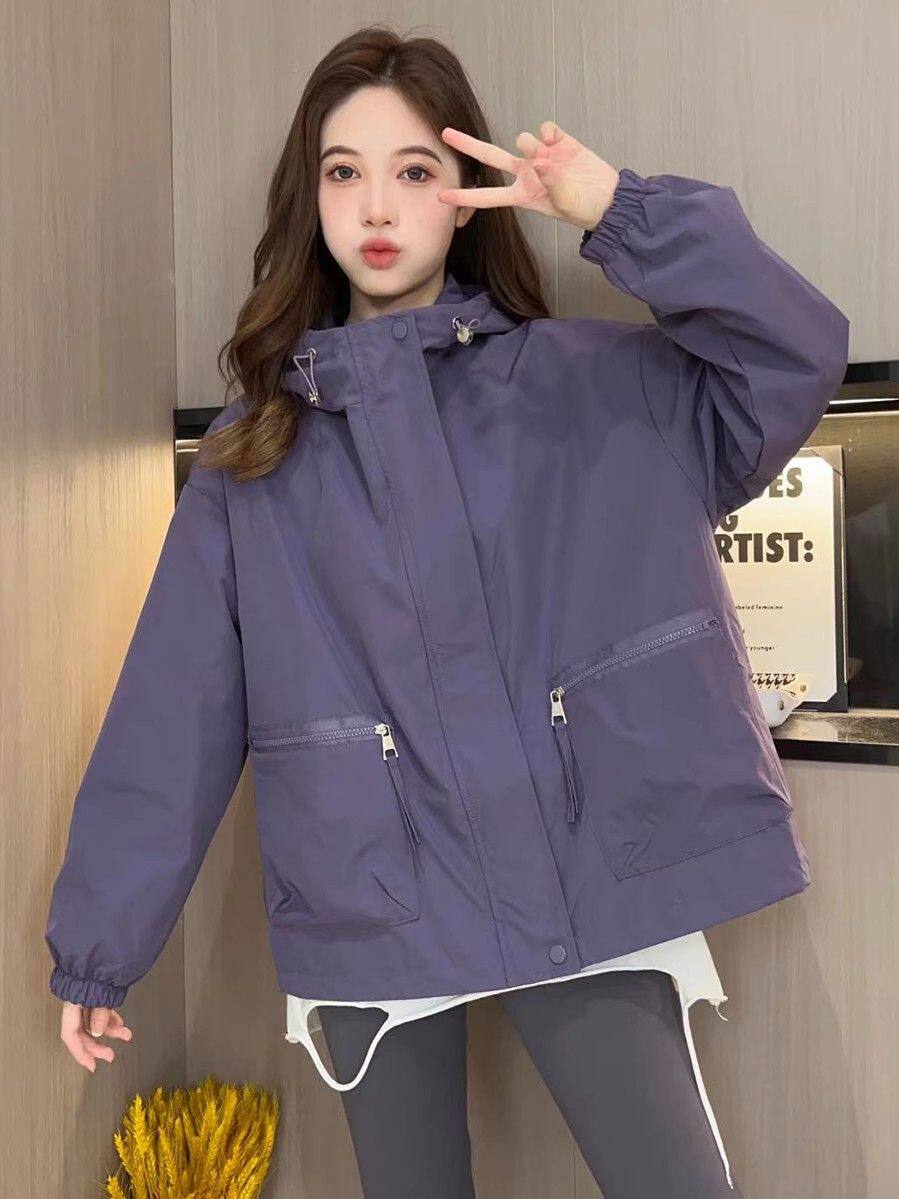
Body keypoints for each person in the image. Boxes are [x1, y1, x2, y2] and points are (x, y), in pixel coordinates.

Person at [46, 24, 849, 1199]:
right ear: (310, 198)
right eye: (343, 170)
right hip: (374, 888)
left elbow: (793, 351)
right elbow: (174, 714)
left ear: (464, 196)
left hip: (594, 866)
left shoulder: (594, 385)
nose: (377, 204)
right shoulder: (250, 461)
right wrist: (100, 943)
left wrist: (615, 209)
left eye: (413, 168)